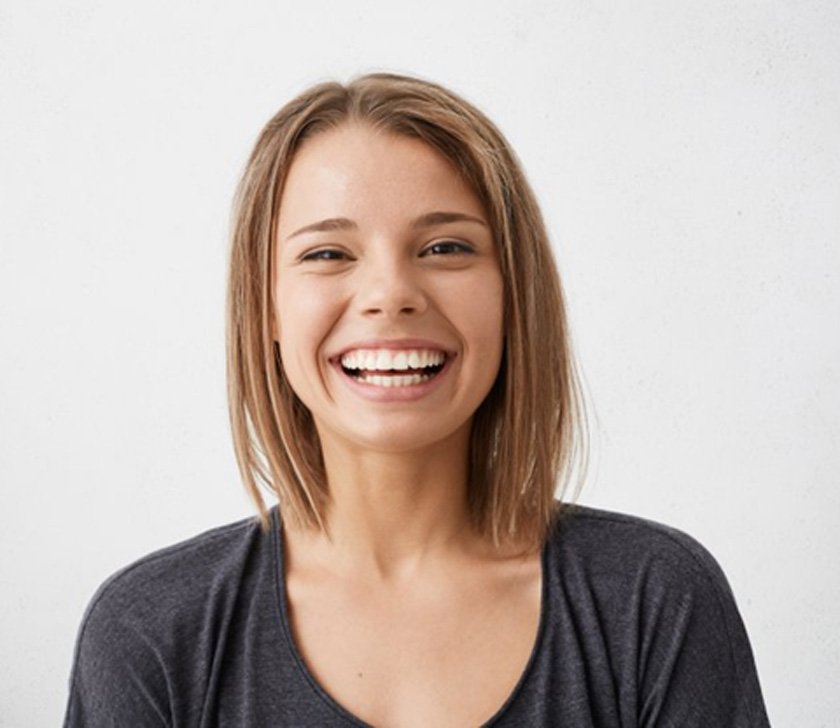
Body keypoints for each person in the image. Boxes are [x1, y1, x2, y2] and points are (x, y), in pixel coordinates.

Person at [63, 73, 771, 727]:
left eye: (444, 248)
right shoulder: (149, 633)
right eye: (327, 254)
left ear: (514, 295)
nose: (391, 294)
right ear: (266, 310)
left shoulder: (654, 600)